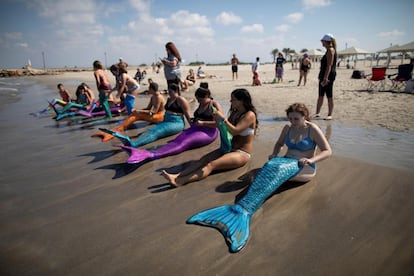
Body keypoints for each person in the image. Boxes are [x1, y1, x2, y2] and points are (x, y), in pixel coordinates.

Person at [187, 102, 332, 253]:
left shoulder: (312, 129)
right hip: (285, 161)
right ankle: (241, 208)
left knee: (277, 169)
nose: (293, 122)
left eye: (296, 119)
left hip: (305, 166)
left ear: (305, 116)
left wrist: (311, 160)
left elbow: (328, 151)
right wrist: (274, 154)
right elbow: (279, 143)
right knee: (269, 166)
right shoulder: (288, 127)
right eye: (290, 119)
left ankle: (245, 211)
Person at [162, 88, 258, 187]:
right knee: (203, 160)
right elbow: (223, 127)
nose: (230, 101)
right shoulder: (235, 112)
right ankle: (177, 176)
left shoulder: (249, 115)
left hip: (241, 153)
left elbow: (235, 130)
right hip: (228, 148)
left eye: (233, 99)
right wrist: (215, 120)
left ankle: (180, 181)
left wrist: (223, 119)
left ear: (241, 101)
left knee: (211, 164)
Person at [120, 85, 223, 165]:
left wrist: (203, 123)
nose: (199, 102)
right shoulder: (202, 103)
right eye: (197, 99)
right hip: (196, 128)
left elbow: (220, 124)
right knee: (177, 140)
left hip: (209, 132)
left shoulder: (214, 105)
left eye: (200, 99)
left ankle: (152, 155)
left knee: (185, 142)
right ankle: (143, 151)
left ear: (207, 96)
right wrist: (193, 122)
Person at [99, 83, 192, 148]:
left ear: (176, 90)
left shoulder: (180, 99)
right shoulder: (169, 99)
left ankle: (134, 144)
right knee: (151, 129)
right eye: (168, 91)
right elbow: (150, 109)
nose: (169, 93)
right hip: (166, 120)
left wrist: (192, 128)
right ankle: (132, 140)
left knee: (158, 131)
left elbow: (187, 115)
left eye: (171, 91)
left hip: (176, 123)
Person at [92, 82, 166, 142]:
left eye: (149, 89)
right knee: (135, 114)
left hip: (159, 117)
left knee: (136, 114)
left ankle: (117, 130)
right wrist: (137, 111)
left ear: (152, 89)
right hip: (154, 114)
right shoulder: (153, 96)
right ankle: (117, 129)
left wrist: (138, 111)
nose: (148, 90)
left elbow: (153, 111)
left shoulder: (158, 97)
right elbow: (148, 108)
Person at [314, 33, 337, 120]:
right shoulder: (328, 50)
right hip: (323, 75)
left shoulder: (331, 50)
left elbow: (329, 65)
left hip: (328, 76)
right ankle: (317, 113)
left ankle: (330, 114)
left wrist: (326, 78)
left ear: (326, 41)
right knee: (320, 95)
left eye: (322, 41)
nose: (321, 43)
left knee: (329, 95)